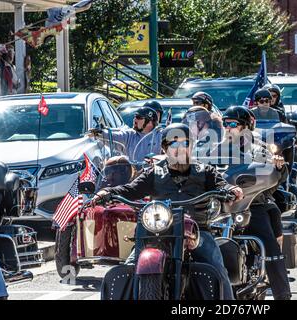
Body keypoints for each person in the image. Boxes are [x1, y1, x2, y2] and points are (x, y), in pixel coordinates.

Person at [91, 123, 243, 300]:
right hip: (155, 232)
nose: (180, 149)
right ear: (164, 148)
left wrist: (231, 189)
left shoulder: (205, 171)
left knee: (217, 266)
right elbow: (130, 189)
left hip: (197, 231)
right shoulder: (153, 172)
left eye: (185, 143)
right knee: (130, 266)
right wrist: (107, 192)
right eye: (174, 144)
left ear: (191, 146)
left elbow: (221, 184)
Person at [210, 106, 292, 300]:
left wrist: (278, 167)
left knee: (268, 242)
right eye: (225, 124)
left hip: (251, 203)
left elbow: (273, 175)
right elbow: (199, 167)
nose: (228, 128)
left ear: (246, 127)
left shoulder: (258, 148)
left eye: (233, 124)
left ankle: (283, 294)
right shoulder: (215, 149)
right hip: (218, 205)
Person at [89, 106, 162, 162]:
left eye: (139, 117)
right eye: (135, 117)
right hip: (132, 176)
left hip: (155, 176)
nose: (135, 120)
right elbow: (113, 136)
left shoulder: (160, 135)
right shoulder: (129, 135)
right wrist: (99, 133)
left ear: (149, 122)